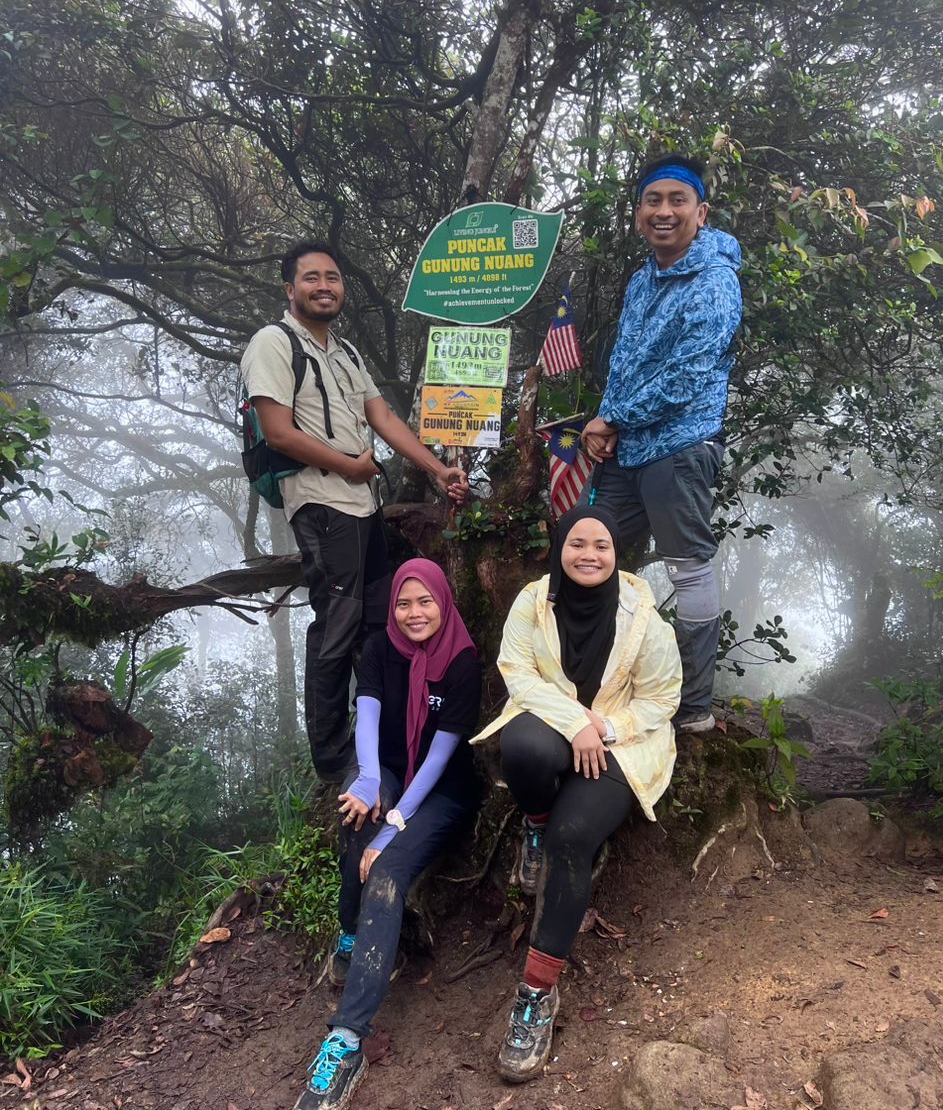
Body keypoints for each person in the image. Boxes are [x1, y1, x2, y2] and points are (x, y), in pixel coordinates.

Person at [241, 241, 468, 780]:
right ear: (289, 288)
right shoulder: (272, 344)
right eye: (311, 278)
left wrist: (437, 470)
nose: (324, 286)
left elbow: (383, 417)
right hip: (322, 503)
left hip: (363, 505)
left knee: (374, 623)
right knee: (337, 625)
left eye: (333, 278)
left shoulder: (344, 351)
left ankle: (379, 740)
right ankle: (333, 759)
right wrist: (348, 466)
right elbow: (277, 431)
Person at [472, 504, 681, 1084]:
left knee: (574, 838)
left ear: (618, 556)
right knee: (525, 751)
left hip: (624, 741)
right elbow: (518, 672)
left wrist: (605, 729)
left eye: (602, 546)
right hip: (558, 723)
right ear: (560, 548)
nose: (589, 555)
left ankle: (537, 992)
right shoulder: (533, 602)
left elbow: (662, 700)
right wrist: (577, 723)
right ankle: (532, 822)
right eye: (577, 544)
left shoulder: (643, 618)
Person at [294, 559, 482, 1110]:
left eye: (425, 602)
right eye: (404, 602)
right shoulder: (379, 648)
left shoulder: (462, 660)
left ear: (443, 603)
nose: (414, 613)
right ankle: (350, 935)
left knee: (385, 873)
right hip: (392, 769)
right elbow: (369, 719)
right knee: (358, 809)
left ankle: (346, 1038)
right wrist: (373, 781)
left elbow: (443, 754)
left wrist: (394, 826)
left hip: (441, 789)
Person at [580, 154, 742, 734]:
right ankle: (596, 690)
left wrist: (612, 418)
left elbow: (690, 375)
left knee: (689, 569)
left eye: (678, 201)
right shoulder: (641, 278)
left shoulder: (715, 279)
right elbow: (625, 365)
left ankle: (694, 708)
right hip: (628, 449)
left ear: (700, 213)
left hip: (679, 446)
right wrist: (607, 420)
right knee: (589, 558)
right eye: (653, 201)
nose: (664, 211)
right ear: (639, 214)